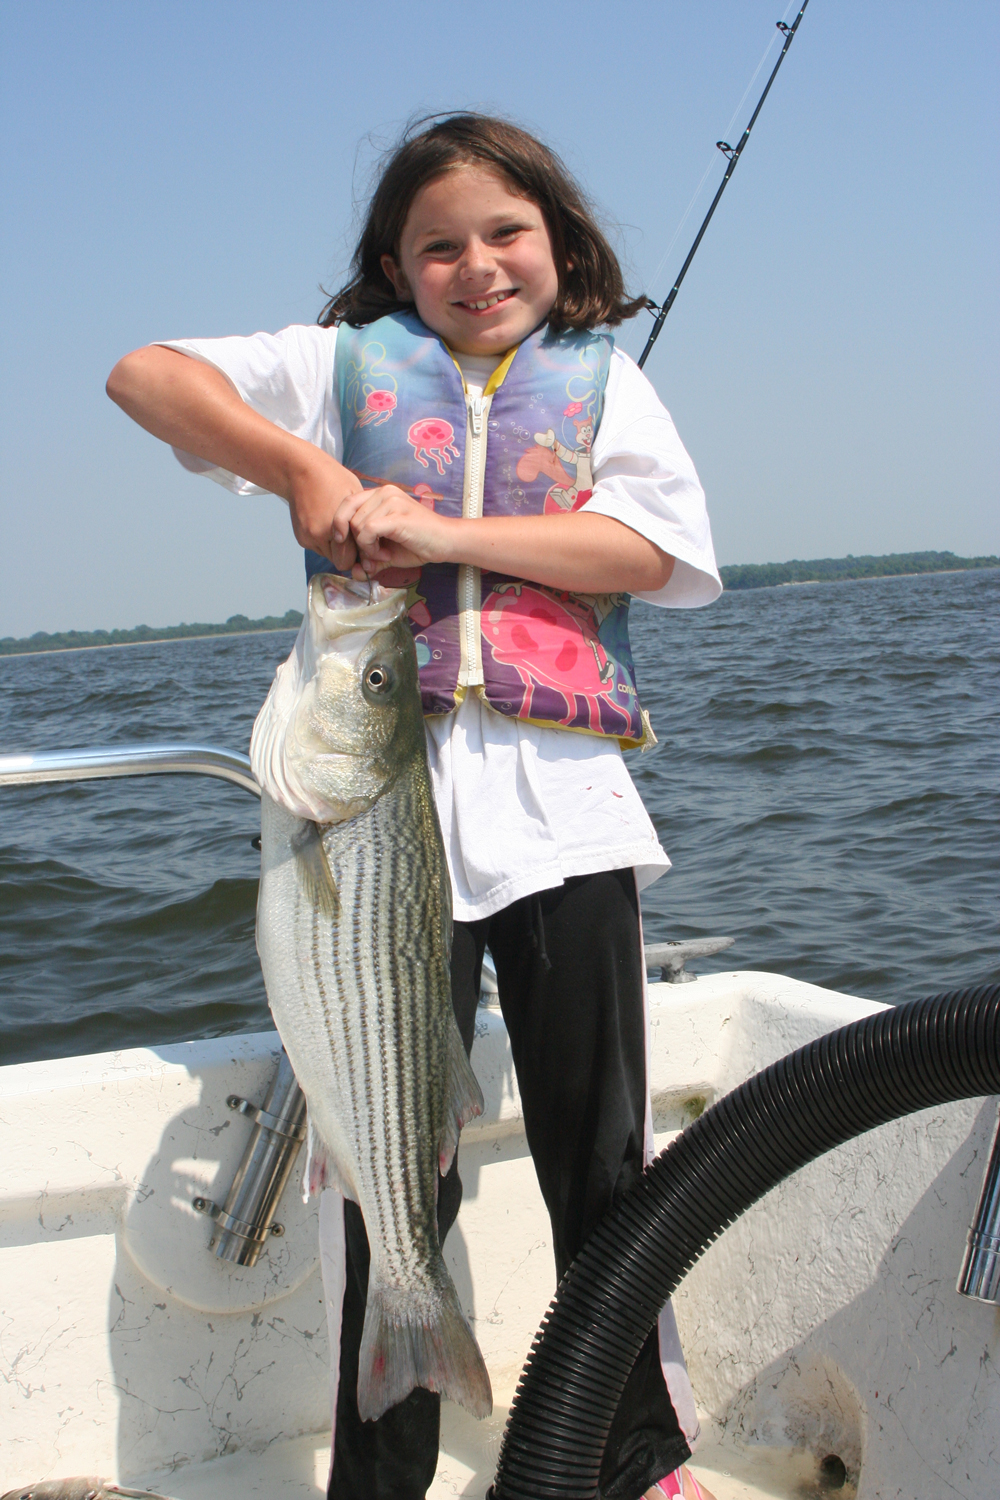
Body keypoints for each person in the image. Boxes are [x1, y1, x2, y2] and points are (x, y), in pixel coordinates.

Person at [107, 113, 720, 1500]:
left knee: (604, 1166)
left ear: (560, 242)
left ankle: (629, 1459)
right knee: (381, 1173)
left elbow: (652, 551)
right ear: (393, 265)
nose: (478, 265)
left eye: (507, 233)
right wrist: (305, 468)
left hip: (563, 815)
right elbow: (144, 374)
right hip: (376, 803)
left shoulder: (606, 385)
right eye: (438, 246)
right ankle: (379, 1480)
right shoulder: (335, 370)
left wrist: (443, 532)